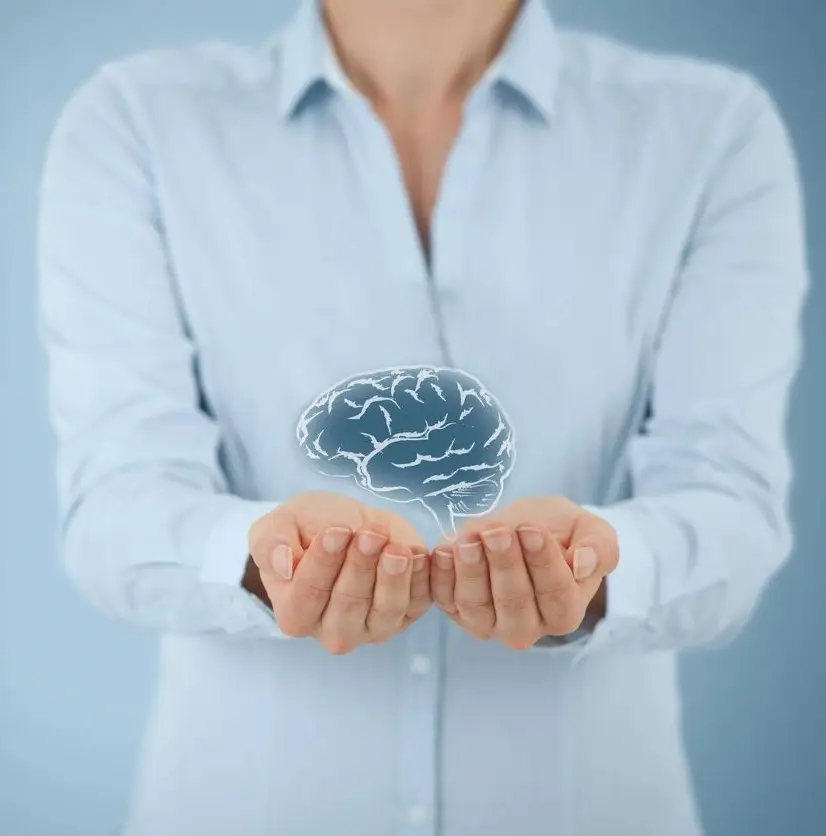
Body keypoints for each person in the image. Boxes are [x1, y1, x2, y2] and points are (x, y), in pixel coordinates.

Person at [37, 0, 808, 834]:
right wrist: (254, 560)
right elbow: (115, 499)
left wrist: (603, 571)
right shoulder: (140, 123)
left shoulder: (707, 131)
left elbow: (730, 497)